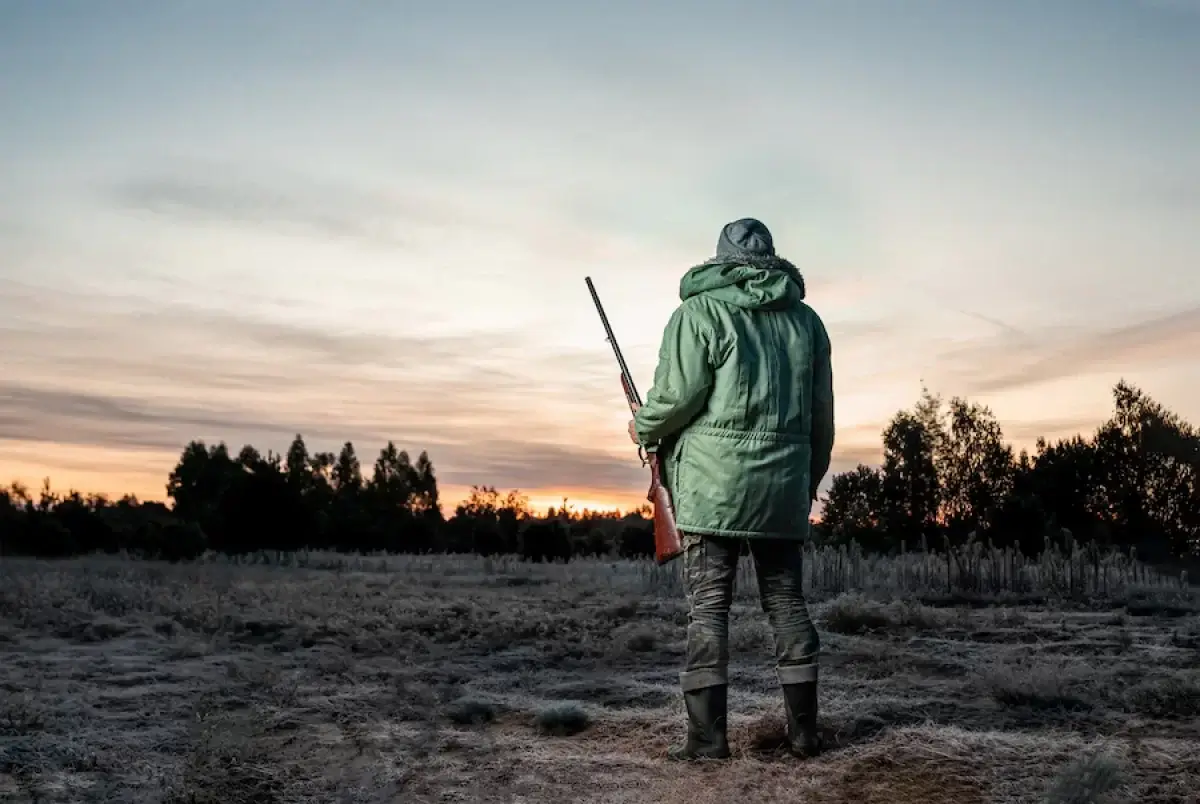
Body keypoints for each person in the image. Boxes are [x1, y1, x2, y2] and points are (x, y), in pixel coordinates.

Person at [627, 218, 834, 761]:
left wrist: (642, 428)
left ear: (719, 259)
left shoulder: (696, 313)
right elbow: (821, 417)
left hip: (711, 487)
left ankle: (706, 740)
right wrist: (806, 481)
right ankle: (805, 735)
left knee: (708, 609)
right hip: (784, 486)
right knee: (788, 602)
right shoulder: (807, 322)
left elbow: (678, 397)